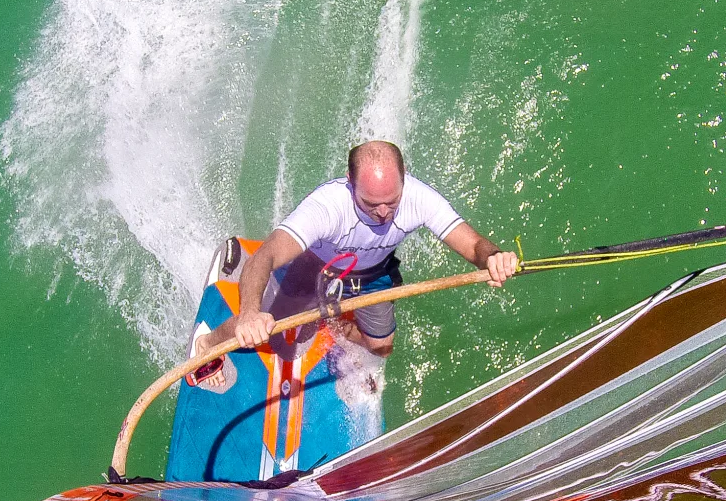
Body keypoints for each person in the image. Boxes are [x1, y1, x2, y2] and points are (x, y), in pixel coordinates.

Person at [206, 140, 518, 359]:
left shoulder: (420, 198)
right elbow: (265, 256)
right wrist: (250, 314)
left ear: (404, 177)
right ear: (350, 181)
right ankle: (208, 342)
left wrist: (493, 258)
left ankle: (341, 327)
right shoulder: (327, 208)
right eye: (371, 203)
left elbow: (474, 244)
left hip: (373, 274)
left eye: (392, 201)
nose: (383, 213)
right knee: (264, 332)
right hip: (315, 268)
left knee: (382, 349)